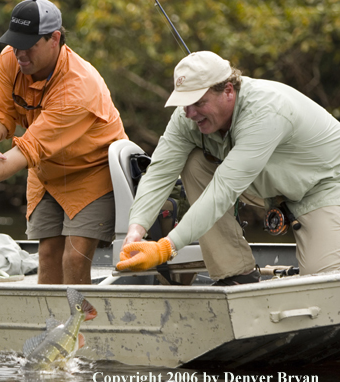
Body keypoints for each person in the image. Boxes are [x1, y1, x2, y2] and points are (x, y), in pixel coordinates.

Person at [117, 51, 340, 285]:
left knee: (324, 286)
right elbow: (159, 174)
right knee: (194, 162)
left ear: (228, 91)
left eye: (198, 102)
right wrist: (135, 231)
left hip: (323, 186)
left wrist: (165, 248)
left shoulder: (265, 112)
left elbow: (222, 191)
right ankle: (235, 273)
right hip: (268, 186)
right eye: (184, 104)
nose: (189, 114)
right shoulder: (188, 118)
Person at [0, 0, 127, 284]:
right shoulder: (11, 58)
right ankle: (51, 326)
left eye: (29, 45)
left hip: (91, 169)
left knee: (74, 255)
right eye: (15, 44)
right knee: (46, 255)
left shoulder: (79, 88)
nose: (20, 53)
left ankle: (78, 326)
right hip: (46, 169)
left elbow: (27, 149)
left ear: (54, 39)